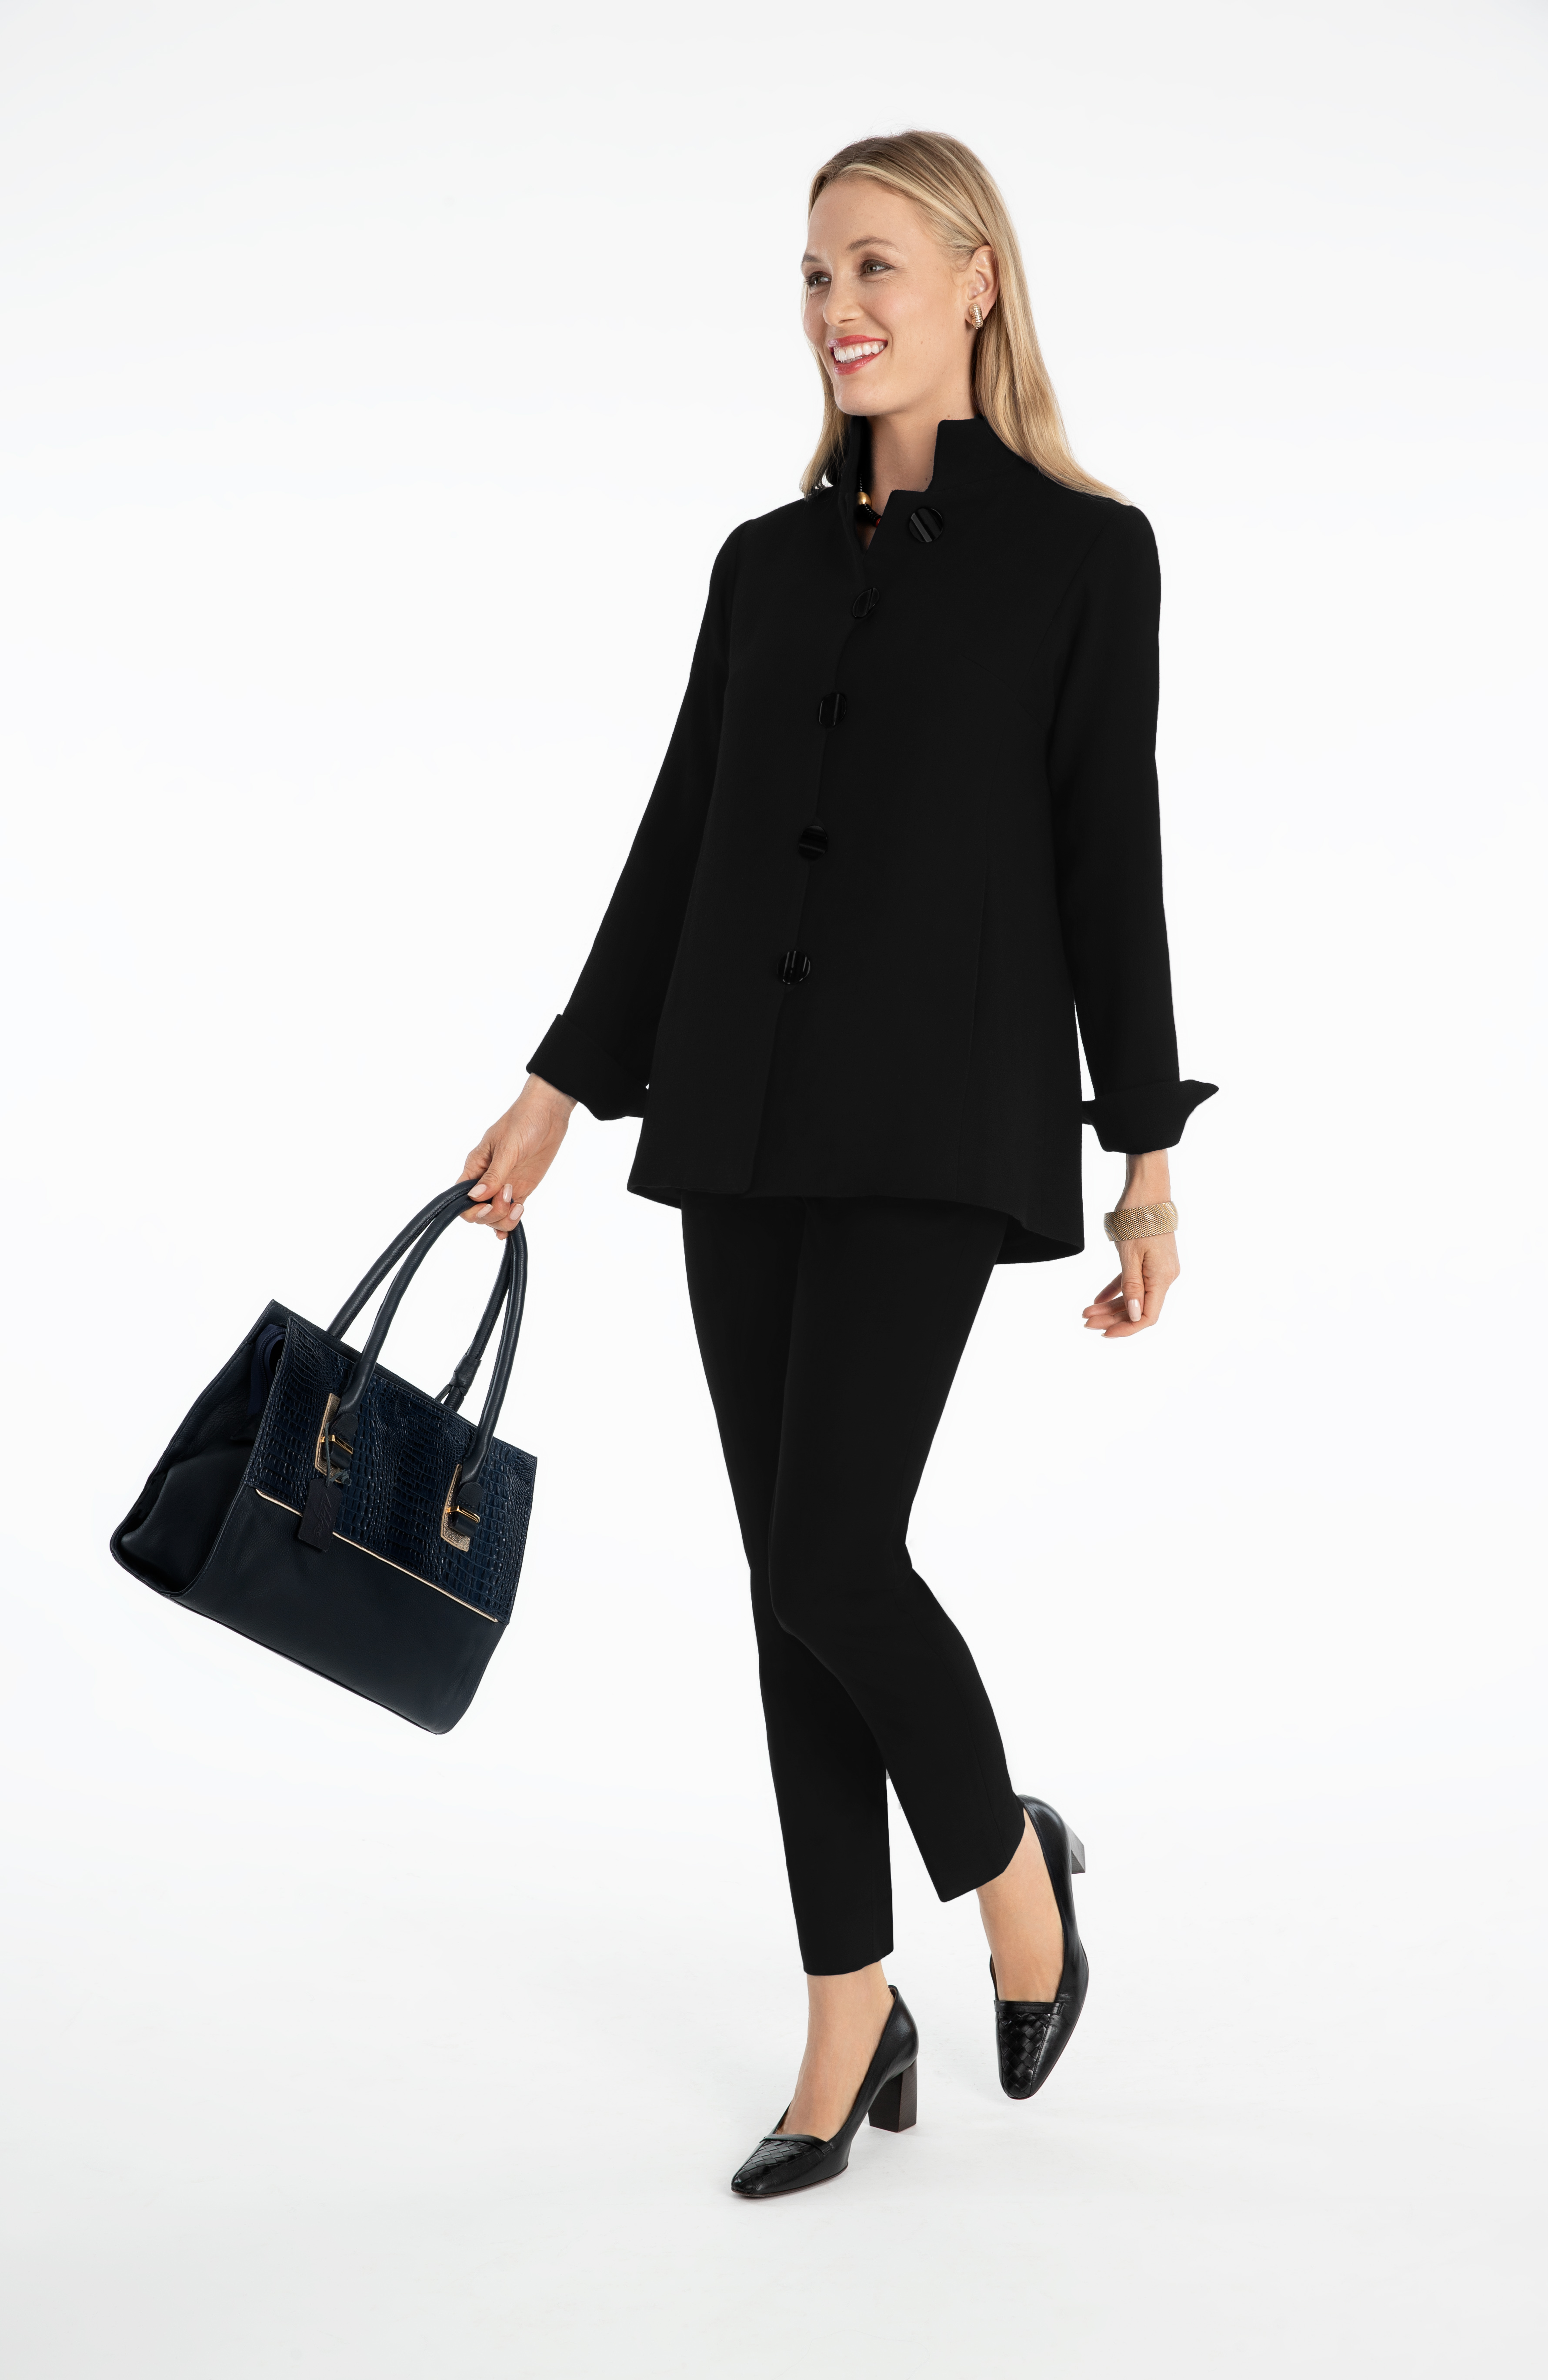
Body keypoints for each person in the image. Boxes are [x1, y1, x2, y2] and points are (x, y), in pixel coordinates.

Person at [458, 130, 1214, 2198]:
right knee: (786, 1585)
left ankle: (1012, 1872)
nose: (836, 307)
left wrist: (1147, 1159)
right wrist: (559, 1084)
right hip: (737, 1105)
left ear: (978, 279)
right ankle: (845, 2014)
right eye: (811, 274)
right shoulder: (764, 565)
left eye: (874, 264)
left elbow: (1111, 861)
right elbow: (683, 834)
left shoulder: (1086, 556)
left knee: (831, 1559)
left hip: (937, 1115)